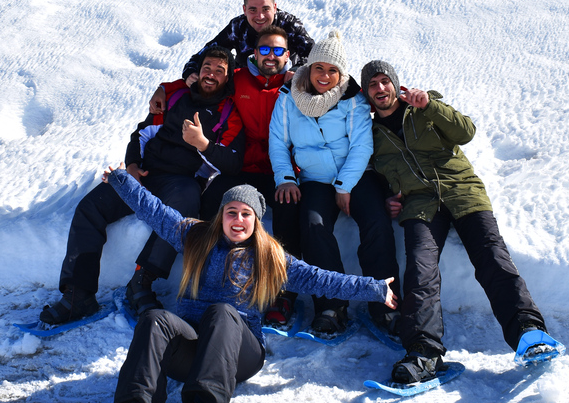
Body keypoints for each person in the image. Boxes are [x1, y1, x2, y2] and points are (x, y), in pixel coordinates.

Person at [102, 164, 397, 403]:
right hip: (194, 349)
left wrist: (374, 288)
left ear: (256, 220)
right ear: (221, 216)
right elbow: (154, 210)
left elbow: (321, 279)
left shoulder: (268, 255)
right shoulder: (196, 237)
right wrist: (120, 180)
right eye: (232, 212)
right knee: (154, 319)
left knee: (221, 312)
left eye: (246, 214)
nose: (238, 220)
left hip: (241, 353)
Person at [360, 59, 552, 384]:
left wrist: (431, 106)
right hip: (420, 204)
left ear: (395, 83)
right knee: (420, 271)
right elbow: (372, 174)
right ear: (366, 94)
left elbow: (466, 132)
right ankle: (424, 352)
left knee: (491, 256)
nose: (380, 89)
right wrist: (388, 196)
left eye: (384, 81)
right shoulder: (370, 133)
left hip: (462, 191)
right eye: (372, 85)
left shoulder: (423, 107)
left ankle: (528, 332)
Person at [38, 46, 245, 325]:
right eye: (207, 67)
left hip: (182, 182)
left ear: (228, 77)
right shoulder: (174, 96)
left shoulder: (229, 112)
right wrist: (133, 165)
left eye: (220, 71)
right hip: (145, 174)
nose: (211, 74)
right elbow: (141, 133)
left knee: (182, 211)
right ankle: (78, 294)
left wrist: (202, 144)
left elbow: (231, 163)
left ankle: (141, 282)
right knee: (90, 207)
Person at [149, 25, 304, 326]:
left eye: (277, 51)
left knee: (288, 211)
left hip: (281, 168)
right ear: (254, 52)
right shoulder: (239, 79)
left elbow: (334, 87)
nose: (270, 57)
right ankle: (209, 281)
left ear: (287, 55)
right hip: (242, 166)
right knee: (212, 205)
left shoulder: (297, 84)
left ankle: (283, 293)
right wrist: (164, 88)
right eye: (264, 49)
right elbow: (203, 82)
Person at [268, 30, 393, 335]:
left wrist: (344, 186)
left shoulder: (354, 100)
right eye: (319, 68)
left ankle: (384, 303)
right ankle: (331, 305)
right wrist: (285, 178)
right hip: (314, 180)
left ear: (342, 74)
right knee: (313, 226)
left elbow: (362, 145)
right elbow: (278, 143)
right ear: (308, 69)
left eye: (333, 70)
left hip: (356, 177)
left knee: (376, 223)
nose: (325, 76)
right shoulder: (287, 99)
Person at [177, 0, 315, 89]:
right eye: (253, 9)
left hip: (284, 85)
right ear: (244, 9)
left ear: (274, 7)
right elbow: (205, 53)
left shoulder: (289, 24)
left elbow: (315, 53)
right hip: (246, 88)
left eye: (265, 9)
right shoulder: (238, 27)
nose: (260, 16)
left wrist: (298, 70)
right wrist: (190, 73)